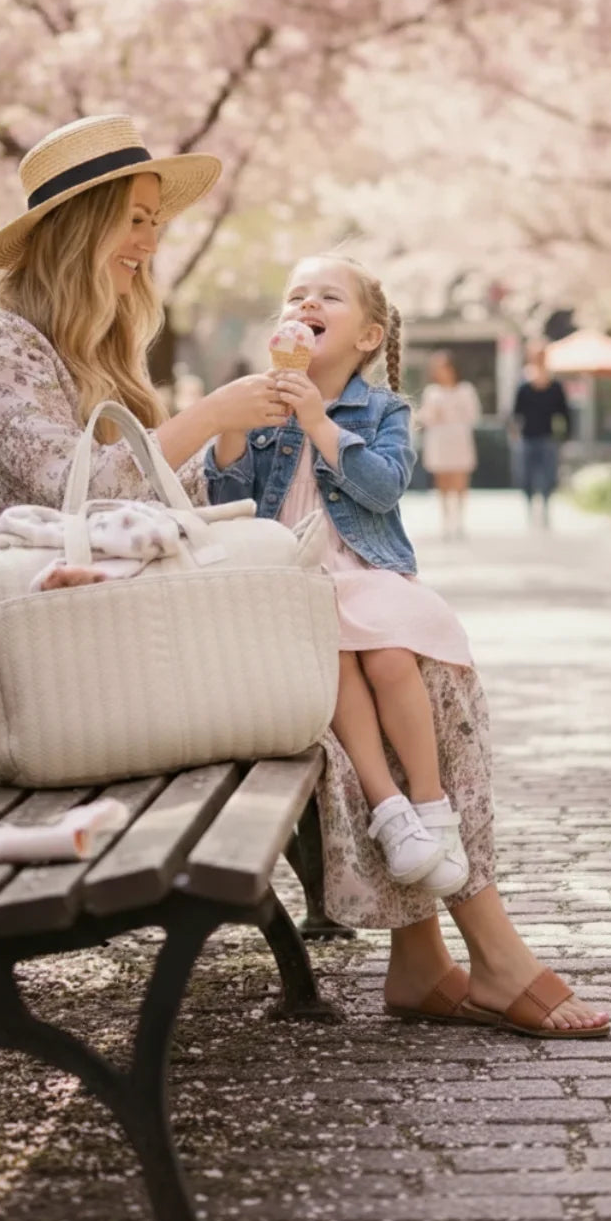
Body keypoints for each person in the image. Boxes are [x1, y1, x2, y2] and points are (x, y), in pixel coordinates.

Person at [0, 113, 609, 1039]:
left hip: (128, 619)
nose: (150, 242)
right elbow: (69, 489)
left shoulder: (95, 347)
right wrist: (214, 416)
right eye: (135, 220)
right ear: (80, 223)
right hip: (78, 649)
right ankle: (486, 953)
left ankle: (433, 956)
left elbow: (168, 497)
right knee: (344, 651)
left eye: (154, 222)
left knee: (401, 657)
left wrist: (224, 439)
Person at [208, 255, 470, 897]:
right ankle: (390, 811)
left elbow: (383, 489)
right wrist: (231, 430)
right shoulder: (260, 402)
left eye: (329, 297)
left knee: (389, 657)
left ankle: (432, 806)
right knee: (338, 664)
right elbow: (229, 502)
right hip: (292, 574)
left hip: (363, 567)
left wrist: (319, 423)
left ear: (369, 336)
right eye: (297, 295)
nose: (307, 305)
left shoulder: (384, 410)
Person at [417, 349, 481, 539]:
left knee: (460, 480)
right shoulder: (432, 392)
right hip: (439, 440)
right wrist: (433, 415)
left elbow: (474, 415)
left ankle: (459, 520)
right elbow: (425, 417)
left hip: (459, 439)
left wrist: (454, 416)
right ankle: (446, 520)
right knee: (442, 481)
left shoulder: (466, 390)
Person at [510, 343, 572, 526]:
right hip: (527, 437)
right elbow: (515, 413)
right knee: (526, 476)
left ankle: (545, 507)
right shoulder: (523, 384)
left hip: (547, 437)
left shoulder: (555, 385)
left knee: (548, 476)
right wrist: (514, 434)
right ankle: (530, 508)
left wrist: (566, 435)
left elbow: (564, 412)